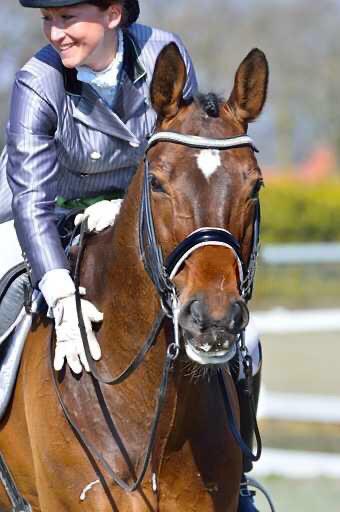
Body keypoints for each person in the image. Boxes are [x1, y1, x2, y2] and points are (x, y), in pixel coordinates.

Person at [0, 1, 263, 509]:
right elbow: (31, 196)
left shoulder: (163, 54)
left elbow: (179, 149)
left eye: (68, 17)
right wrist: (56, 287)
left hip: (134, 211)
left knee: (244, 337)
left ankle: (238, 475)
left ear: (114, 14)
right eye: (48, 20)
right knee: (4, 298)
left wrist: (121, 208)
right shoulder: (39, 81)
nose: (56, 32)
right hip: (37, 214)